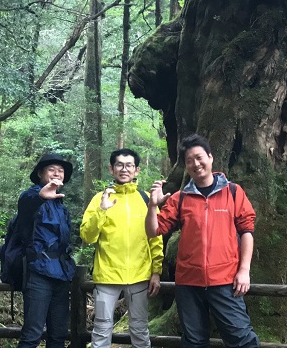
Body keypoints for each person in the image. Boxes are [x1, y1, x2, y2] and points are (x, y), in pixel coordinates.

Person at [146, 134, 260, 348]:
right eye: (189, 161)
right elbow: (154, 231)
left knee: (242, 339)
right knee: (193, 342)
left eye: (199, 158)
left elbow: (247, 230)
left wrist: (244, 270)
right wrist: (153, 205)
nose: (195, 164)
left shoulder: (233, 192)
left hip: (225, 281)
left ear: (210, 157)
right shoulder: (179, 198)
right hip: (189, 283)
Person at [81, 148, 164, 348]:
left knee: (139, 328)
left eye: (129, 165)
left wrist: (156, 271)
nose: (124, 169)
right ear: (111, 169)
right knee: (101, 329)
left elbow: (156, 237)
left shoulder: (146, 200)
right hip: (107, 277)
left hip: (139, 276)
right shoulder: (100, 198)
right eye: (119, 164)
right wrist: (101, 210)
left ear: (136, 170)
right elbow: (88, 236)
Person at [17, 153, 76, 348]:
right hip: (38, 273)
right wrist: (40, 196)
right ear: (41, 173)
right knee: (32, 334)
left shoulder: (61, 205)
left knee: (58, 335)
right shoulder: (32, 196)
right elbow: (25, 204)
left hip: (61, 273)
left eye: (60, 171)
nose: (57, 173)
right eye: (52, 170)